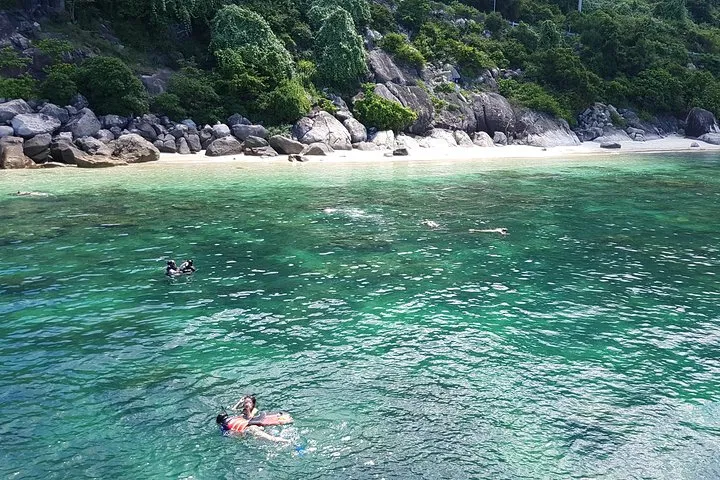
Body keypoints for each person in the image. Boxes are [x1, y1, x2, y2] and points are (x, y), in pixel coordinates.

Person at [216, 395, 291, 443]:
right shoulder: (242, 411)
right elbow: (233, 410)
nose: (246, 404)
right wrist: (239, 402)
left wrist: (248, 411)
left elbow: (253, 419)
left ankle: (281, 440)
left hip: (252, 427)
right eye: (245, 402)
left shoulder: (255, 411)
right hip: (245, 429)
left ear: (253, 404)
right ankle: (279, 440)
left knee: (261, 433)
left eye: (249, 402)